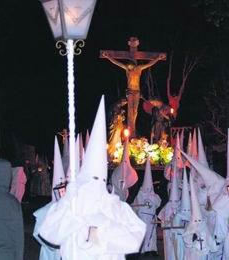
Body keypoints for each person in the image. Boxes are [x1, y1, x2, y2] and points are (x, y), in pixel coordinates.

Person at [38, 96, 146, 259]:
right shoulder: (72, 206)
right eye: (90, 182)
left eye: (98, 181)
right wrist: (67, 202)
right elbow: (49, 234)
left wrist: (101, 231)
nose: (93, 188)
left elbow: (135, 238)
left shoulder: (115, 207)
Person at [102, 45, 165, 136]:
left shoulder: (139, 69)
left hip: (137, 92)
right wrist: (108, 57)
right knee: (130, 110)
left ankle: (133, 128)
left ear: (134, 65)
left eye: (131, 67)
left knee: (135, 111)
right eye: (129, 67)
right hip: (130, 92)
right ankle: (131, 130)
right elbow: (117, 63)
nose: (130, 69)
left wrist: (158, 59)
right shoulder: (127, 69)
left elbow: (149, 64)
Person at [132, 158, 161, 254]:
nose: (148, 190)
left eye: (150, 189)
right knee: (143, 233)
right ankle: (143, 250)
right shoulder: (140, 194)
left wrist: (152, 198)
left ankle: (152, 249)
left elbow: (158, 203)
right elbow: (135, 205)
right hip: (142, 217)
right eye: (146, 188)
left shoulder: (155, 196)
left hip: (151, 218)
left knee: (152, 234)